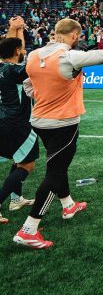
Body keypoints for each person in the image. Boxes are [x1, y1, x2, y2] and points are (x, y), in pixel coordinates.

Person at [14, 7, 103, 249]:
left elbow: (28, 86)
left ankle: (68, 205)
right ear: (74, 36)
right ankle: (29, 228)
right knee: (55, 172)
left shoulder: (34, 55)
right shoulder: (69, 56)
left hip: (39, 120)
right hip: (63, 122)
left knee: (57, 164)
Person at [0, 18, 36, 224]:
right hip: (18, 123)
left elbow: (15, 51)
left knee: (18, 159)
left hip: (3, 119)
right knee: (26, 165)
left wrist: (17, 29)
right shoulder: (15, 72)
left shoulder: (4, 67)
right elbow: (22, 57)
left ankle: (16, 199)